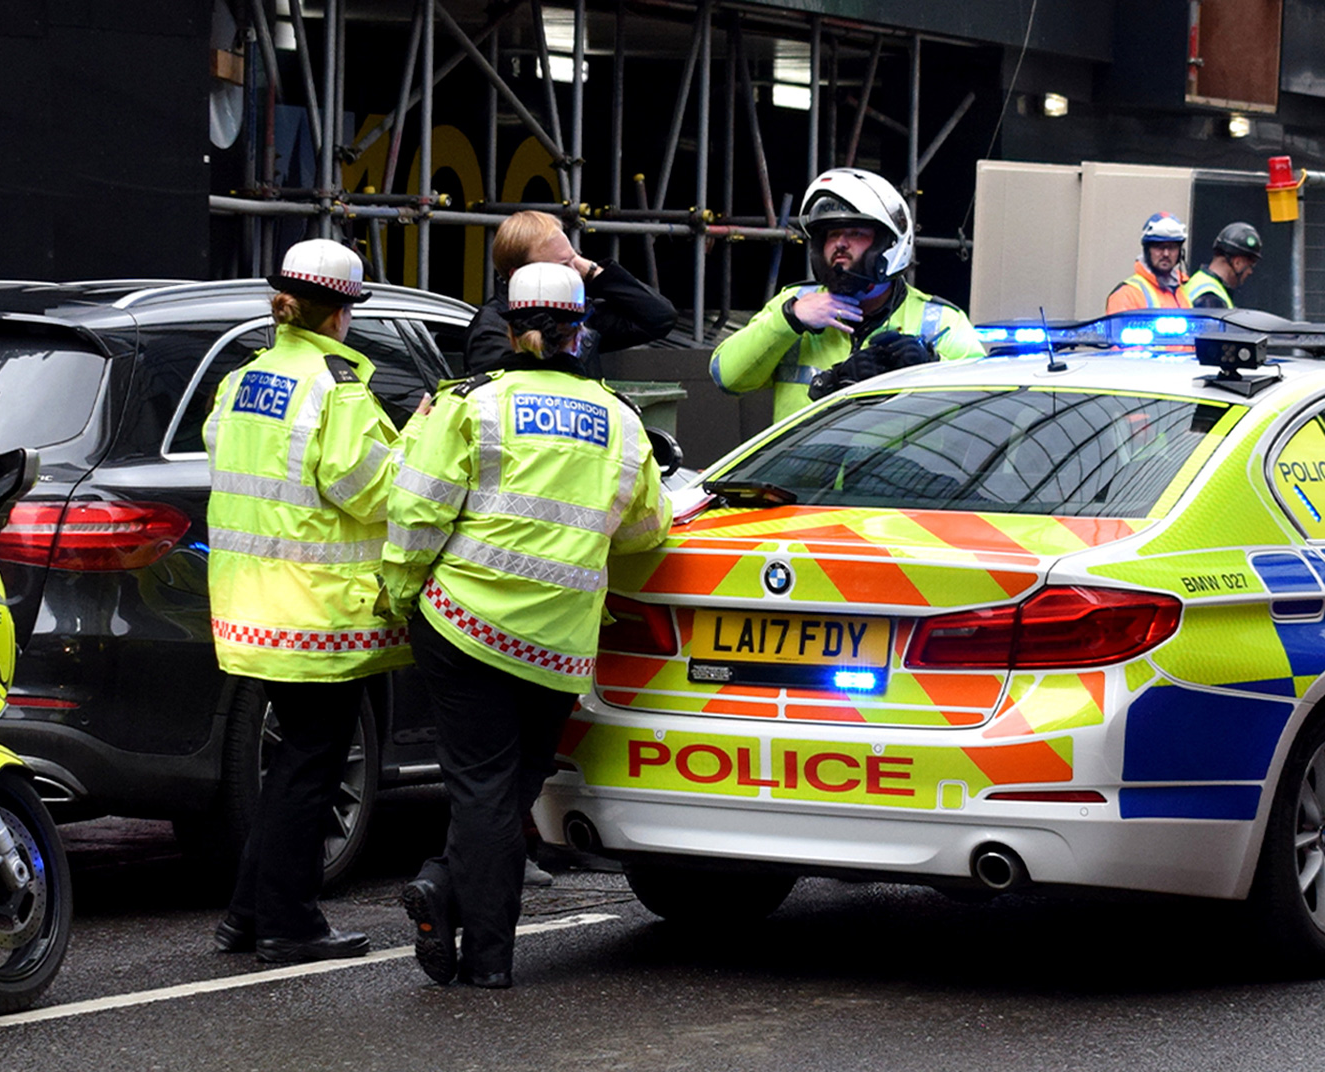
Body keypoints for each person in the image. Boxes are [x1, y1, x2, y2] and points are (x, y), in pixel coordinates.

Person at [387, 262, 669, 989]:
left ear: (509, 328)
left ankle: (474, 938)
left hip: (462, 625)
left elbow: (417, 512)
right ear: (580, 334)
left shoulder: (469, 405)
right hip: (556, 647)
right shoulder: (619, 418)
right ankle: (468, 928)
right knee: (512, 791)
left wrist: (400, 595)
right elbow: (645, 531)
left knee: (481, 789)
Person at [205, 239, 410, 964]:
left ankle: (246, 917)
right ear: (340, 314)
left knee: (297, 758)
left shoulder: (243, 380)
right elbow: (371, 491)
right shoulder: (337, 391)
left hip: (250, 605)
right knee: (310, 765)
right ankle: (289, 921)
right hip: (317, 610)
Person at [708, 167, 985, 421]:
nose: (839, 243)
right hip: (800, 476)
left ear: (889, 243)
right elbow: (727, 376)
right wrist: (789, 320)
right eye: (831, 234)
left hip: (900, 476)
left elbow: (985, 412)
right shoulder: (793, 304)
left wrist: (933, 368)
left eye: (855, 232)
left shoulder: (941, 322)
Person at [463, 210, 676, 379]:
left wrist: (592, 271)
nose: (575, 273)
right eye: (563, 265)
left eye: (576, 260)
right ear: (521, 274)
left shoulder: (575, 312)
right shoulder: (491, 329)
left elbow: (659, 318)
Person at [1106, 212, 1190, 312]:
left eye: (1172, 248)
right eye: (1159, 247)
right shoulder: (1126, 295)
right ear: (1147, 250)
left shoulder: (1184, 289)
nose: (1166, 254)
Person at [1183, 222, 1262, 309]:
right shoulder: (1211, 299)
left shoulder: (1199, 280)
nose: (1250, 272)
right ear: (1237, 263)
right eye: (1250, 266)